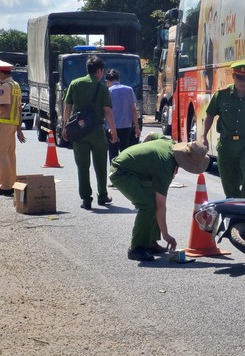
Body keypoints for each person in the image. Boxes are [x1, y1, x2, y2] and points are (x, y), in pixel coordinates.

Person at [109, 133, 209, 261]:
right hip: (121, 172)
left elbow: (150, 135)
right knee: (148, 205)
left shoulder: (170, 144)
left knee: (152, 202)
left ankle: (150, 242)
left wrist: (141, 157)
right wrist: (166, 235)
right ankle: (136, 248)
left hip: (131, 169)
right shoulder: (165, 165)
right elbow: (161, 206)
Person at [202, 61, 245, 198]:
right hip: (226, 146)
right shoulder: (221, 95)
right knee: (229, 184)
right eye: (240, 78)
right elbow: (209, 115)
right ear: (233, 76)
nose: (243, 82)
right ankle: (234, 213)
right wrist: (203, 137)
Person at [62, 56, 118, 210]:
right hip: (97, 131)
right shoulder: (102, 88)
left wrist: (65, 127)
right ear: (99, 71)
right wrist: (113, 132)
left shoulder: (75, 83)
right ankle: (102, 195)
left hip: (79, 132)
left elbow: (67, 107)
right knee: (100, 165)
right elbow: (108, 112)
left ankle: (86, 199)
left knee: (82, 166)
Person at [0, 60, 26, 197]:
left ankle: (4, 186)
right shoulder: (15, 85)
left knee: (2, 154)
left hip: (2, 122)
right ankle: (11, 183)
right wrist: (19, 128)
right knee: (10, 155)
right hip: (12, 123)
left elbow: (3, 105)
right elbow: (19, 108)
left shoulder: (5, 86)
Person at [105, 68, 140, 163]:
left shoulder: (108, 91)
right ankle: (124, 170)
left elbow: (106, 111)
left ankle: (114, 171)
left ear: (107, 81)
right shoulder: (129, 89)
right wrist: (137, 127)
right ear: (118, 79)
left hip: (112, 127)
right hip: (126, 125)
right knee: (125, 149)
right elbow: (133, 109)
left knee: (113, 150)